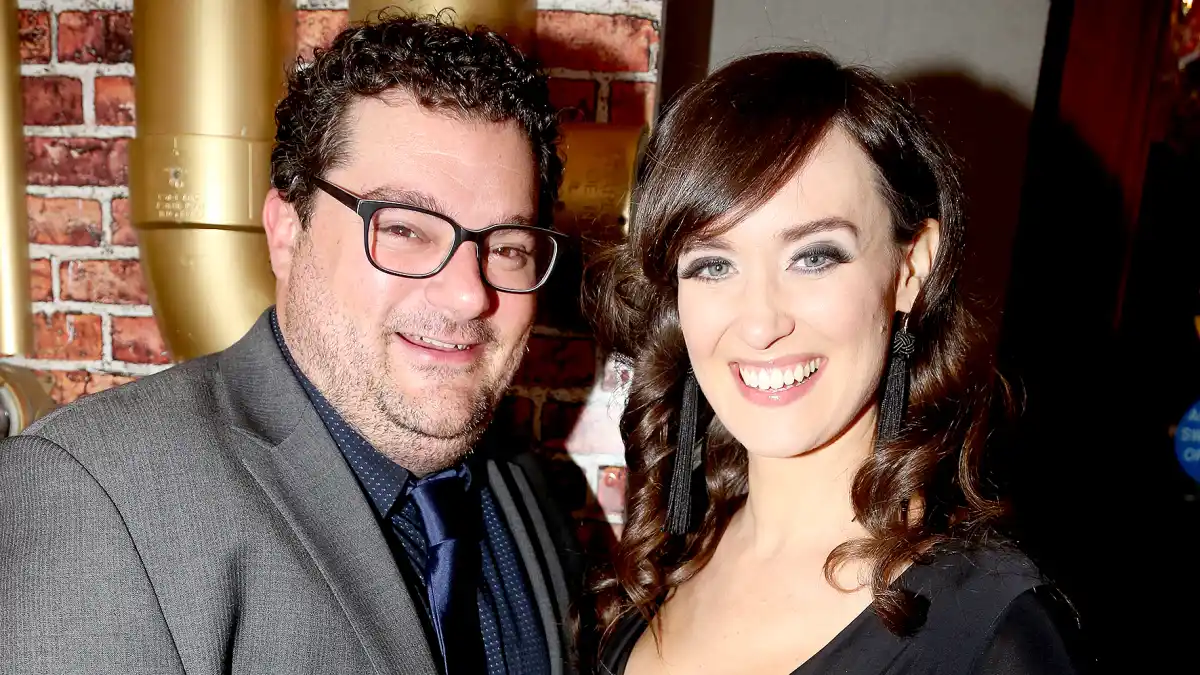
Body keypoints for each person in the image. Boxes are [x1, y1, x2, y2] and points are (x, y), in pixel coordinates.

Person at [0, 14, 582, 675]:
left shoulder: (526, 483)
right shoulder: (96, 498)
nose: (467, 295)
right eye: (405, 229)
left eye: (506, 246)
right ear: (285, 232)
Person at [583, 50, 1087, 674]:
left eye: (814, 256)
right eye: (714, 264)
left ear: (912, 267)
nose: (761, 322)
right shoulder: (665, 560)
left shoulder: (993, 634)